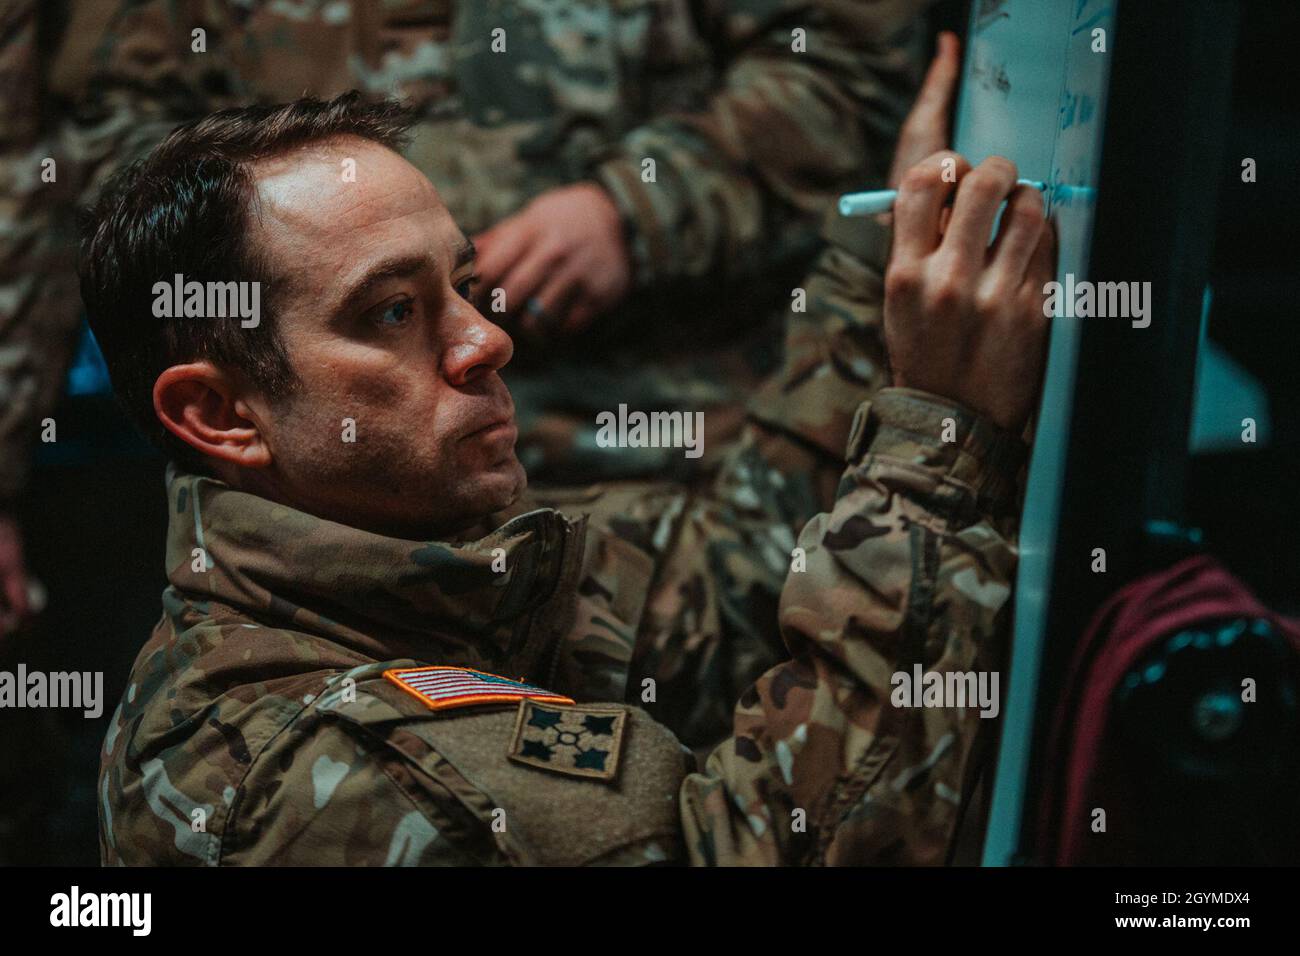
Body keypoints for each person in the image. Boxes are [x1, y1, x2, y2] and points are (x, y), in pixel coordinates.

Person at [88, 58, 1051, 862]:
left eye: (464, 286)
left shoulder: (438, 556)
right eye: (391, 312)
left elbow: (741, 574)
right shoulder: (301, 769)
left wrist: (872, 250)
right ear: (221, 414)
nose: (485, 343)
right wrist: (941, 438)